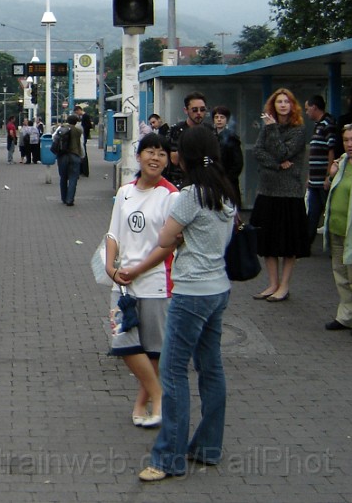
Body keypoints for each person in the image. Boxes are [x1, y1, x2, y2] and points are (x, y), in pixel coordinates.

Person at [139, 125, 238, 482]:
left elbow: (166, 236)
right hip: (218, 288)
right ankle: (208, 447)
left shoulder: (190, 195)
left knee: (173, 370)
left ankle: (168, 457)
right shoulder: (225, 192)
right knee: (211, 367)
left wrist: (180, 236)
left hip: (191, 292)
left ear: (190, 154)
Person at [105, 133, 177, 429]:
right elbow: (113, 233)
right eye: (150, 151)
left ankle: (144, 402)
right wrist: (111, 268)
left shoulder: (172, 196)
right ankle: (159, 395)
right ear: (139, 156)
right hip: (122, 285)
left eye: (162, 153)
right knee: (123, 343)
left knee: (153, 349)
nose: (155, 158)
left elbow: (168, 244)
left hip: (156, 283)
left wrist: (137, 271)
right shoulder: (125, 192)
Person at [250, 88, 308, 302]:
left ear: (292, 105)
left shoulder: (298, 129)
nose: (283, 105)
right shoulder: (266, 128)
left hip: (289, 193)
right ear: (273, 106)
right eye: (279, 101)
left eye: (286, 101)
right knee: (267, 242)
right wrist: (276, 165)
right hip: (267, 190)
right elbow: (257, 151)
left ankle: (284, 286)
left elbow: (285, 151)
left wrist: (273, 129)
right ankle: (272, 283)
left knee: (288, 243)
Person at [321, 123, 352, 333]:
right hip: (337, 229)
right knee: (340, 275)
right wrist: (331, 175)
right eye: (346, 140)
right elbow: (328, 188)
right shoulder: (341, 163)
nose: (350, 144)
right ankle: (345, 316)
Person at [304, 95, 337, 252]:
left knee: (329, 212)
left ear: (314, 107)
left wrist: (328, 175)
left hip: (323, 180)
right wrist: (310, 175)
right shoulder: (318, 125)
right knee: (313, 212)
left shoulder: (328, 124)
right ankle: (306, 245)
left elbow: (332, 149)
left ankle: (334, 247)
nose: (306, 112)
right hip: (314, 180)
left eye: (307, 108)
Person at [165, 92, 210, 187]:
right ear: (186, 110)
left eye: (202, 110)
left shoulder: (210, 131)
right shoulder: (176, 130)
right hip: (179, 182)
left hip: (206, 181)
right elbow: (174, 159)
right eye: (194, 110)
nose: (199, 113)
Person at [211, 106, 243, 206]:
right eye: (216, 117)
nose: (219, 120)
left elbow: (238, 163)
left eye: (222, 117)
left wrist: (226, 179)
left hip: (228, 182)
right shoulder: (209, 137)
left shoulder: (232, 138)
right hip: (212, 181)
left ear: (227, 120)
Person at [55, 114, 84, 206]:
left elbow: (54, 139)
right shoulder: (78, 131)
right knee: (73, 178)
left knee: (63, 178)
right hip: (74, 155)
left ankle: (63, 198)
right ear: (76, 122)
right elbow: (81, 144)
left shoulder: (60, 129)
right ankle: (70, 200)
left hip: (62, 156)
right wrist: (82, 156)